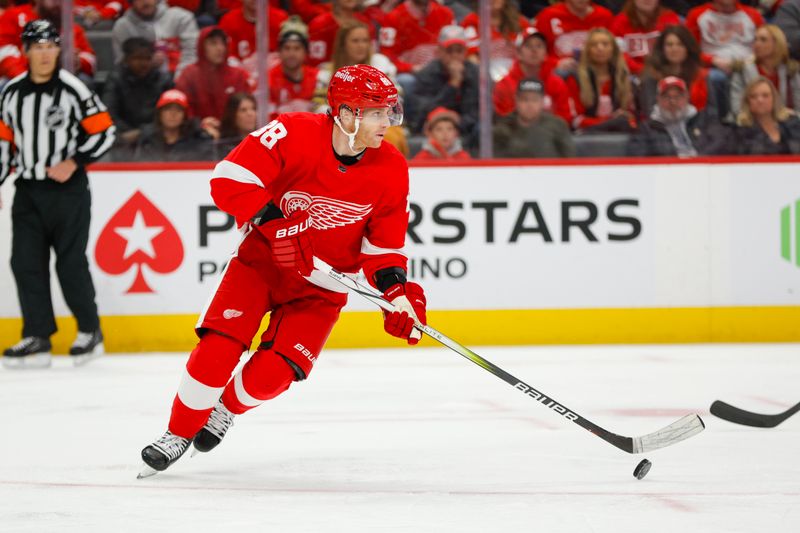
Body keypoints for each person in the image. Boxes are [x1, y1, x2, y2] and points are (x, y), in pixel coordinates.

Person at [138, 64, 427, 475]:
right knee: (218, 349)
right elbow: (228, 179)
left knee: (274, 374)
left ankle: (224, 409)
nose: (389, 122)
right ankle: (178, 433)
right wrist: (276, 224)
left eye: (388, 111)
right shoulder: (292, 131)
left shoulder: (392, 167)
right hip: (260, 265)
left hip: (322, 287)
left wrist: (397, 293)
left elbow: (383, 249)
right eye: (377, 112)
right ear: (346, 114)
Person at [0, 20, 115, 369]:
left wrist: (74, 160)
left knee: (70, 262)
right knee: (25, 263)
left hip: (68, 192)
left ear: (58, 50)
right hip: (28, 191)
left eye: (51, 46)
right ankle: (37, 336)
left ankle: (89, 330)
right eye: (38, 47)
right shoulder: (11, 92)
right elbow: (5, 144)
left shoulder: (73, 89)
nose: (45, 53)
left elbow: (105, 132)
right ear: (27, 51)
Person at [627, 76, 734, 156]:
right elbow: (638, 153)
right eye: (666, 97)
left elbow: (721, 143)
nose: (672, 102)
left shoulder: (703, 120)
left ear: (687, 97)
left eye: (678, 96)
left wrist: (698, 159)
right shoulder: (647, 128)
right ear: (658, 99)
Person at [103, 37, 174, 158]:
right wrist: (126, 132)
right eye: (137, 58)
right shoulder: (115, 79)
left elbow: (169, 113)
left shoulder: (163, 81)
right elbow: (109, 113)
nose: (143, 64)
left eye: (147, 58)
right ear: (126, 59)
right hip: (122, 136)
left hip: (156, 137)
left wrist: (143, 132)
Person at [0, 0, 97, 83]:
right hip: (23, 77)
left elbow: (90, 59)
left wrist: (79, 62)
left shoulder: (70, 26)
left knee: (84, 80)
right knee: (6, 84)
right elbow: (4, 53)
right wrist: (31, 76)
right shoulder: (13, 16)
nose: (57, 2)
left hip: (61, 79)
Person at [412, 25, 478, 145]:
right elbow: (421, 114)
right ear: (439, 52)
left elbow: (478, 112)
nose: (454, 56)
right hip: (434, 129)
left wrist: (457, 124)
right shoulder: (427, 74)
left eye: (459, 51)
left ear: (465, 52)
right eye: (449, 51)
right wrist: (452, 85)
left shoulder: (476, 74)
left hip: (467, 129)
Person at [175, 26, 252, 127]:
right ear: (202, 47)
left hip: (234, 134)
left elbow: (247, 108)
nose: (220, 48)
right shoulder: (188, 75)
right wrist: (199, 124)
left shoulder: (238, 75)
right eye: (213, 43)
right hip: (199, 136)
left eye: (223, 43)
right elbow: (182, 110)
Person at [639, 25, 717, 120]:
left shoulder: (700, 75)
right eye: (669, 45)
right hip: (659, 128)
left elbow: (712, 111)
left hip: (698, 126)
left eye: (680, 44)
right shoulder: (651, 75)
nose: (674, 49)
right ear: (662, 49)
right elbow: (649, 111)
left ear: (688, 48)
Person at [565, 28, 635, 132]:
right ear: (587, 50)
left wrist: (628, 117)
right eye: (594, 45)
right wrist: (609, 121)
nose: (600, 48)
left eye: (605, 44)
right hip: (587, 134)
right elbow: (575, 120)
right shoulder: (575, 78)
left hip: (618, 133)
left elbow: (633, 118)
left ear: (613, 49)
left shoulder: (624, 77)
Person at [493, 28, 570, 123]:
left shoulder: (557, 83)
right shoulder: (504, 85)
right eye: (528, 46)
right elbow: (503, 119)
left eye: (539, 46)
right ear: (518, 53)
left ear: (545, 53)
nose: (534, 50)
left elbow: (564, 117)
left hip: (549, 135)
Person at [112, 0, 199, 78]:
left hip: (181, 79)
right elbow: (122, 63)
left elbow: (192, 54)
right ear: (131, 2)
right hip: (142, 83)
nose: (145, 2)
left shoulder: (182, 18)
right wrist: (146, 63)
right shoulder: (122, 26)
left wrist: (179, 79)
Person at [493, 77, 576, 158]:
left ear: (543, 102)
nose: (530, 105)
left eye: (535, 100)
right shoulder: (502, 128)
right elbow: (494, 164)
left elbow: (570, 160)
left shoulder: (558, 126)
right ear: (516, 100)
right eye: (524, 100)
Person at [729, 25, 800, 117]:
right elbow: (737, 109)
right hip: (752, 123)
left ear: (777, 44)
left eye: (763, 40)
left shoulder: (791, 70)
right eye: (755, 40)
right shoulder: (742, 69)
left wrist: (791, 115)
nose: (757, 44)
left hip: (786, 122)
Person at [533, 0, 614, 77]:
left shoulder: (604, 16)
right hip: (561, 72)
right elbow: (535, 50)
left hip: (596, 71)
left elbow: (616, 51)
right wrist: (556, 63)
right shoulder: (548, 15)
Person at [134, 88, 214, 161]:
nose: (173, 114)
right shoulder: (147, 141)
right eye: (167, 109)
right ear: (159, 114)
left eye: (178, 110)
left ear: (185, 116)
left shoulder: (197, 140)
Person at [460, 0, 530, 80]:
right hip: (484, 76)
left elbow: (531, 50)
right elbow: (471, 57)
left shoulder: (520, 23)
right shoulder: (472, 21)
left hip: (516, 75)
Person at [610, 0, 681, 77]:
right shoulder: (620, 22)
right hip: (631, 75)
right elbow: (618, 54)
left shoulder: (669, 18)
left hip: (666, 73)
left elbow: (679, 50)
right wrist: (642, 70)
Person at [267, 16, 319, 118]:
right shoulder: (269, 80)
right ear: (279, 52)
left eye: (297, 48)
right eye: (287, 48)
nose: (291, 53)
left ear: (305, 52)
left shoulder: (318, 78)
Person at [735, 77, 800, 155]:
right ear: (747, 102)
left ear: (774, 99)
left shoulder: (792, 123)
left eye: (765, 95)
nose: (760, 100)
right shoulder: (740, 131)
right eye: (753, 96)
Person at [307, 0, 375, 66]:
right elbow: (315, 63)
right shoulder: (320, 24)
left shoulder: (366, 22)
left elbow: (371, 54)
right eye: (355, 41)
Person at [212, 92, 257, 159]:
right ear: (232, 115)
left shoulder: (262, 143)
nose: (250, 114)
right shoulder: (222, 146)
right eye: (243, 110)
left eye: (253, 109)